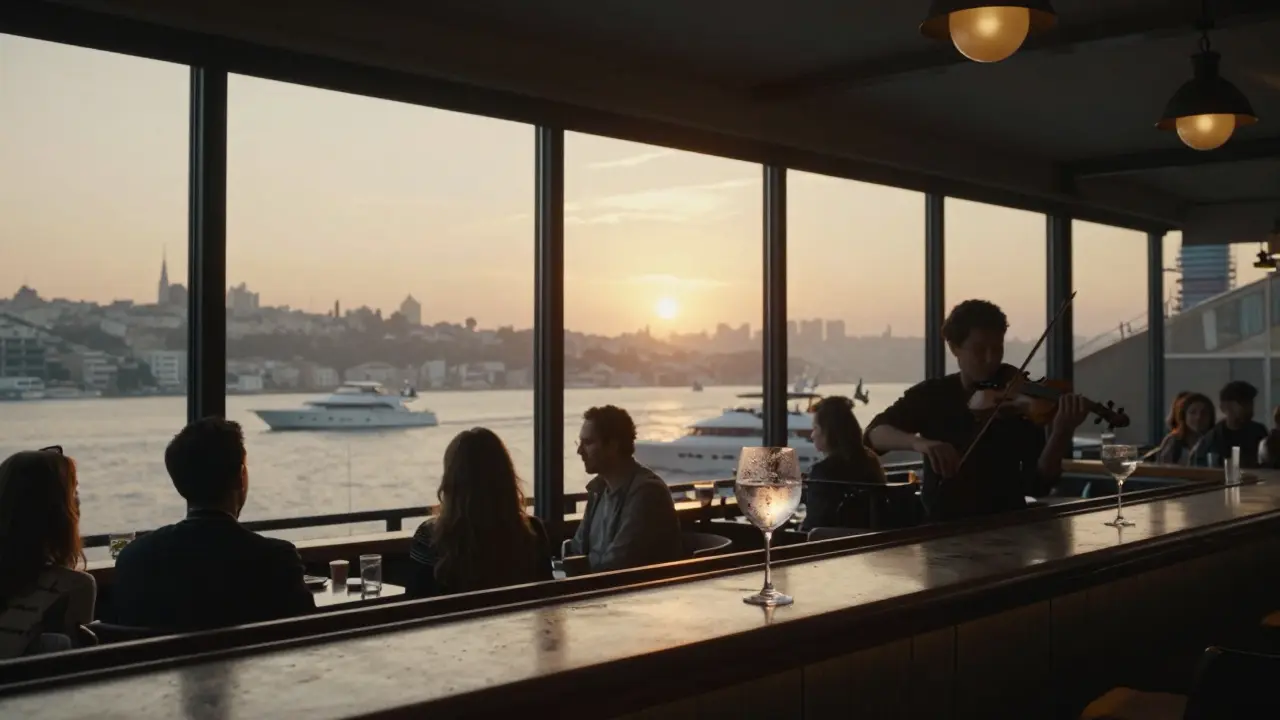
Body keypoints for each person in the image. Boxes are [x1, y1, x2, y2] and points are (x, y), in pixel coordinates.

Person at [865, 300, 1089, 521]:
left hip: (1008, 530)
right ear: (954, 348)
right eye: (980, 350)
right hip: (942, 530)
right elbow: (874, 435)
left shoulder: (1017, 401)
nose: (991, 359)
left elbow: (1039, 485)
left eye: (997, 349)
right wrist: (920, 443)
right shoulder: (931, 395)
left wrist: (1061, 432)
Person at [114, 418, 314, 630]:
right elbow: (308, 637)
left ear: (178, 483)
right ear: (240, 476)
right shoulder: (275, 558)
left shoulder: (133, 557)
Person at [408, 428, 552, 597]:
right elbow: (545, 599)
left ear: (450, 482)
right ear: (506, 478)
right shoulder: (533, 531)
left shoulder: (429, 538)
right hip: (520, 623)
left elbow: (414, 606)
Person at [0, 447, 96, 659]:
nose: (78, 502)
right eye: (73, 493)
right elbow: (78, 673)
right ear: (60, 513)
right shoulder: (74, 586)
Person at [570, 405, 683, 572]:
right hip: (598, 590)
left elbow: (619, 564)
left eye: (588, 443)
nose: (580, 451)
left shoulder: (647, 494)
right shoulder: (598, 490)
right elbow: (577, 549)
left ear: (612, 446)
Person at [801, 396, 887, 532]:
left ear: (829, 432)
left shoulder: (822, 472)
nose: (812, 435)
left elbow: (813, 526)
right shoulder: (871, 462)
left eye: (816, 428)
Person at [1189, 381, 1269, 469]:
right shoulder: (1211, 440)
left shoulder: (1259, 432)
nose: (1249, 408)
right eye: (1242, 403)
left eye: (1250, 403)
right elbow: (1201, 471)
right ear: (1224, 407)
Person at [1155, 392, 1214, 465]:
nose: (1198, 417)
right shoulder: (1173, 441)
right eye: (1192, 412)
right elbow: (1162, 469)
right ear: (1184, 416)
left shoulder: (1215, 440)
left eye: (1204, 413)